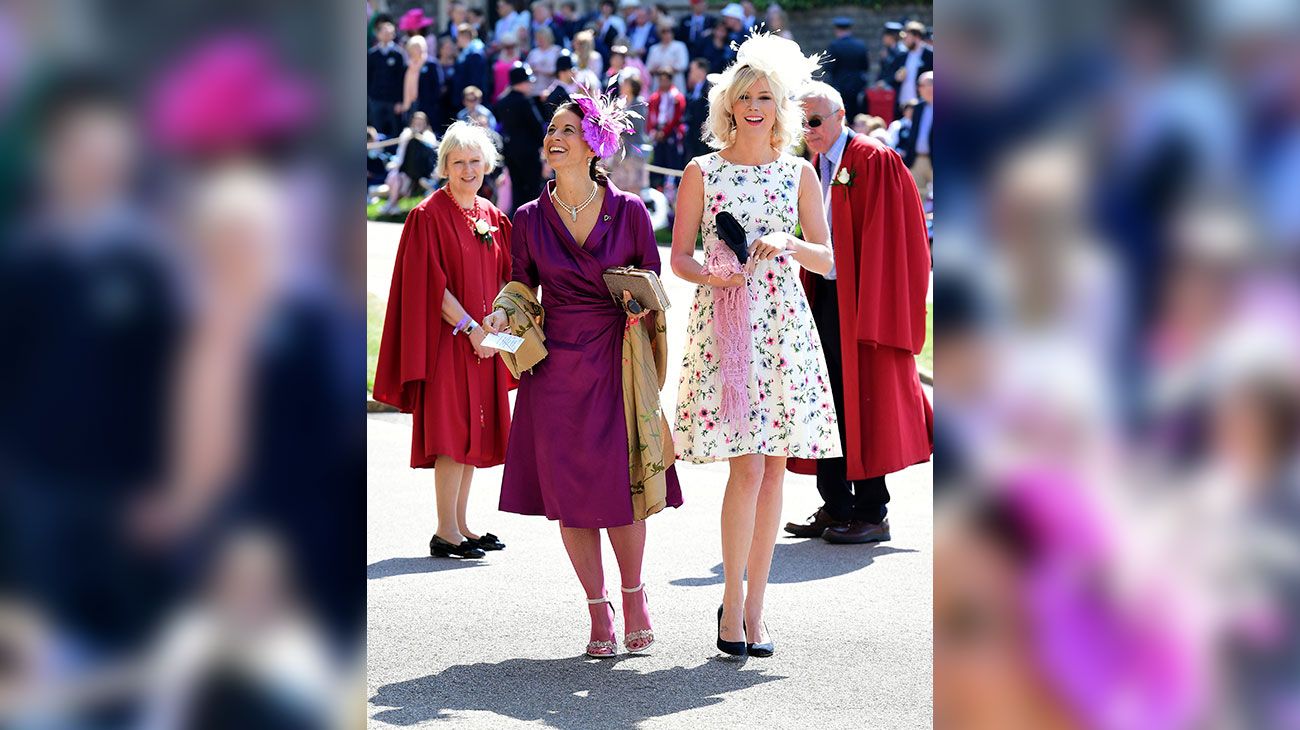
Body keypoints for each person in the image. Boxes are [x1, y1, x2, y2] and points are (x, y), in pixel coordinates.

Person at [482, 93, 682, 657]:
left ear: (593, 144)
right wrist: (501, 313)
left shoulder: (632, 210)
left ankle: (635, 592)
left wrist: (640, 303)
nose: (553, 137)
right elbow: (520, 285)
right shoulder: (525, 218)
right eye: (550, 129)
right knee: (571, 496)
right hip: (554, 374)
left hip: (617, 362)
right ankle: (598, 610)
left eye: (567, 129)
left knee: (622, 485)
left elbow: (650, 277)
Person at [669, 34, 838, 658]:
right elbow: (678, 256)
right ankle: (731, 608)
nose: (756, 107)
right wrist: (711, 272)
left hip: (784, 327)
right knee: (746, 469)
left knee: (774, 471)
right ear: (729, 105)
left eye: (766, 96)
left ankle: (756, 608)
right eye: (745, 97)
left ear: (779, 106)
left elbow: (827, 259)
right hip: (726, 326)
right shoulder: (702, 171)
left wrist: (788, 243)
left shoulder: (798, 172)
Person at [784, 81, 932, 544]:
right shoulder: (816, 164)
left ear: (840, 115)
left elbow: (895, 240)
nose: (808, 130)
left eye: (814, 120)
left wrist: (874, 308)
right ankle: (835, 505)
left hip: (860, 302)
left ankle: (871, 510)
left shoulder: (873, 159)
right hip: (826, 296)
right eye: (802, 122)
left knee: (862, 399)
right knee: (824, 400)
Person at [373, 122, 514, 559]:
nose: (468, 169)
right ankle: (444, 530)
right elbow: (429, 286)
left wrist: (496, 326)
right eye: (458, 163)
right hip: (450, 342)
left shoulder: (491, 215)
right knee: (453, 433)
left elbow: (504, 279)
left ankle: (463, 524)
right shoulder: (428, 215)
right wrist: (471, 328)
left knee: (475, 431)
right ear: (445, 167)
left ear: (487, 164)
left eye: (475, 161)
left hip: (485, 342)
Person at [493, 61, 546, 215]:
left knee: (517, 191)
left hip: (510, 152)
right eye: (528, 81)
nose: (530, 85)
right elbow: (537, 126)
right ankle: (532, 226)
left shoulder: (503, 101)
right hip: (529, 153)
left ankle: (517, 225)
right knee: (533, 192)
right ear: (521, 82)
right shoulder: (524, 101)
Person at [380, 111, 437, 215]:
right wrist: (395, 166)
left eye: (421, 121)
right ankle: (393, 204)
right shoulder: (406, 134)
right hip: (406, 170)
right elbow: (400, 155)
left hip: (422, 173)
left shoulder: (429, 137)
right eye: (416, 121)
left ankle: (391, 204)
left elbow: (430, 158)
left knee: (400, 178)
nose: (418, 123)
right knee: (395, 176)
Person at [646, 67, 685, 189]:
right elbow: (650, 115)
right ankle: (658, 188)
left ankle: (671, 189)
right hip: (657, 132)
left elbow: (676, 118)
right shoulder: (654, 97)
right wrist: (654, 131)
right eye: (660, 80)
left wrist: (664, 132)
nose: (663, 83)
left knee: (672, 162)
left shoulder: (676, 97)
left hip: (671, 133)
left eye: (665, 80)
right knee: (657, 162)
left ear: (670, 81)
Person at [367, 17, 406, 138]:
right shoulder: (372, 54)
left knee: (395, 130)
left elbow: (401, 79)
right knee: (376, 130)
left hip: (393, 101)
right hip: (376, 99)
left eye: (389, 33)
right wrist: (370, 96)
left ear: (393, 35)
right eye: (383, 32)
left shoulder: (398, 54)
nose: (386, 35)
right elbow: (367, 77)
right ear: (378, 35)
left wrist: (400, 100)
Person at [824, 16, 869, 120]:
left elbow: (828, 68)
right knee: (856, 115)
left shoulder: (834, 46)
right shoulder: (860, 45)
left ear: (837, 30)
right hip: (856, 87)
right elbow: (865, 67)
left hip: (839, 86)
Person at [611, 72, 649, 193]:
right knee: (618, 186)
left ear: (633, 85)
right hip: (620, 151)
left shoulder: (639, 103)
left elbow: (636, 125)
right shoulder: (620, 103)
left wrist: (618, 124)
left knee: (634, 186)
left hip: (634, 151)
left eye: (626, 82)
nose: (622, 85)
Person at [899, 70, 933, 198]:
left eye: (925, 85)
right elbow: (913, 134)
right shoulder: (918, 108)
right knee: (915, 199)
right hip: (917, 160)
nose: (921, 89)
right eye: (921, 85)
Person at [889, 20, 933, 113]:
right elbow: (891, 76)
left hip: (921, 103)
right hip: (902, 104)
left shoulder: (930, 55)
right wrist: (896, 77)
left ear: (916, 37)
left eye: (907, 37)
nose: (904, 40)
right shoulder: (902, 56)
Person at [682, 57, 713, 161]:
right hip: (692, 136)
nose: (690, 73)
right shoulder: (694, 89)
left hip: (703, 138)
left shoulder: (709, 89)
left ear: (701, 71)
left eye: (693, 70)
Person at [644, 21, 688, 93]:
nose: (667, 34)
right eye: (663, 32)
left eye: (669, 31)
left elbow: (683, 65)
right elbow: (648, 68)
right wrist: (658, 70)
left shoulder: (680, 46)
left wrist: (665, 70)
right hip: (658, 86)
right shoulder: (654, 48)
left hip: (676, 84)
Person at [400, 35, 428, 122]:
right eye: (413, 48)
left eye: (418, 47)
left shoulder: (430, 64)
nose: (416, 50)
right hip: (409, 103)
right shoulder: (406, 66)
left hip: (425, 103)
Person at [526, 25, 562, 92]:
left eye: (543, 38)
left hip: (552, 87)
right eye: (539, 38)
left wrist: (540, 70)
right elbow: (527, 68)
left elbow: (559, 70)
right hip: (536, 89)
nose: (541, 40)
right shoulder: (533, 52)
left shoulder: (556, 50)